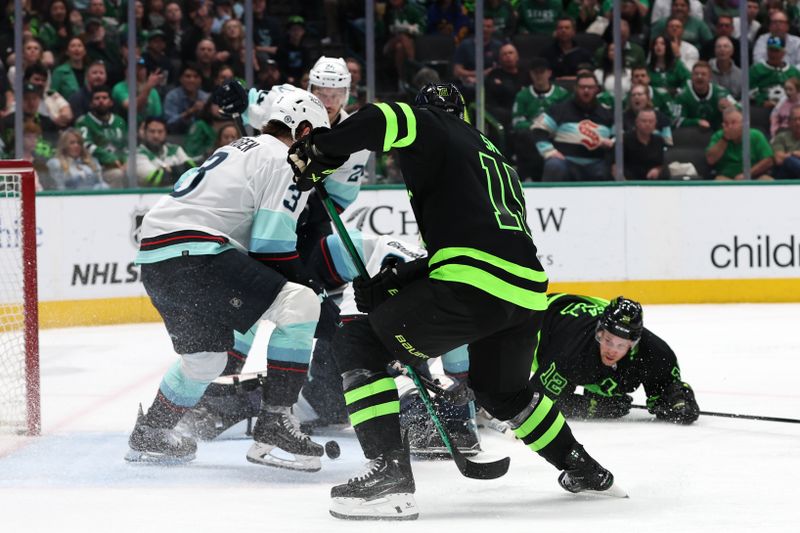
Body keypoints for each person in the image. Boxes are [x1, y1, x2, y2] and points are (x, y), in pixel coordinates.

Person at [287, 82, 622, 520]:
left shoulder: (431, 126)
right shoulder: (488, 154)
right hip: (525, 292)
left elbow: (380, 117)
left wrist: (322, 149)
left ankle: (388, 478)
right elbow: (473, 244)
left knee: (361, 343)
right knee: (503, 392)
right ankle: (583, 468)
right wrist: (394, 282)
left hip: (473, 284)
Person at [126, 84, 338, 470]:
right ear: (304, 131)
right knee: (301, 303)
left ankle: (151, 432)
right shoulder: (284, 159)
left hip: (156, 259)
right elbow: (272, 247)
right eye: (317, 139)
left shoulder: (241, 148)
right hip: (197, 253)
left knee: (205, 362)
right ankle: (275, 421)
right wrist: (318, 302)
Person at [531, 294, 700, 424]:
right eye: (608, 340)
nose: (612, 351)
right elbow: (532, 404)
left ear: (633, 343)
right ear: (600, 332)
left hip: (579, 311)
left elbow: (670, 388)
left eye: (621, 345)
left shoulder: (655, 353)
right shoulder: (570, 355)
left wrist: (678, 400)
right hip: (536, 322)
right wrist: (589, 407)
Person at [533, 72, 615, 181]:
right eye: (582, 87)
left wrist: (612, 142)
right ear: (575, 88)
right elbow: (538, 130)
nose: (586, 90)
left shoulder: (607, 113)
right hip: (566, 162)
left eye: (590, 87)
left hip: (597, 164)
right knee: (554, 165)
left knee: (611, 169)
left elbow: (620, 136)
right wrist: (549, 151)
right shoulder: (559, 109)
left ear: (596, 89)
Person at [511, 57, 570, 181]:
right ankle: (528, 177)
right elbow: (517, 122)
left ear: (549, 73)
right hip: (530, 137)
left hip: (555, 133)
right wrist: (536, 126)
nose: (539, 76)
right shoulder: (523, 95)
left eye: (541, 72)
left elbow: (567, 117)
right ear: (530, 74)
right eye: (535, 72)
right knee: (524, 136)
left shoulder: (562, 94)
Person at [74, 85, 128, 188]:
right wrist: (110, 159)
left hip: (121, 164)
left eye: (104, 98)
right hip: (96, 168)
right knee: (117, 174)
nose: (101, 101)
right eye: (97, 98)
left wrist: (125, 161)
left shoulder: (120, 121)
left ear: (111, 102)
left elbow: (126, 145)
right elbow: (86, 145)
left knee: (134, 172)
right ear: (91, 103)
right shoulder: (83, 122)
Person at [706, 107, 774, 181]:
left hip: (754, 177)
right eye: (726, 123)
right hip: (727, 178)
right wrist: (725, 138)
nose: (730, 127)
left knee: (768, 180)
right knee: (719, 181)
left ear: (743, 123)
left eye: (733, 122)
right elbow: (710, 160)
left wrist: (748, 174)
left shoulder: (756, 135)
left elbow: (768, 160)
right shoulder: (718, 136)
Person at [674, 61, 737, 130]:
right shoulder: (682, 96)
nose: (699, 77)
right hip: (692, 134)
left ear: (710, 77)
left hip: (719, 133)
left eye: (703, 74)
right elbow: (676, 120)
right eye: (696, 74)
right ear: (691, 76)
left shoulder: (721, 93)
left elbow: (741, 109)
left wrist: (730, 108)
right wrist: (696, 122)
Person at [136, 116, 195, 187]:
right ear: (145, 133)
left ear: (166, 133)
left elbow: (192, 170)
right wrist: (179, 169)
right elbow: (157, 180)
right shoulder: (137, 155)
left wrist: (168, 170)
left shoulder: (175, 149)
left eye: (160, 131)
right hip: (150, 196)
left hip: (178, 196)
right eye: (152, 131)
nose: (156, 136)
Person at [749, 36, 800, 109]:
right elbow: (750, 90)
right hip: (762, 108)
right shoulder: (756, 69)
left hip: (789, 107)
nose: (773, 54)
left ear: (783, 52)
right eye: (770, 50)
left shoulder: (793, 72)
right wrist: (762, 102)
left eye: (776, 51)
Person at [541, 16, 595, 80]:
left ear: (574, 32)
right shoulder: (546, 53)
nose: (563, 30)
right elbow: (542, 74)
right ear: (556, 31)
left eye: (567, 28)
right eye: (560, 28)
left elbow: (589, 76)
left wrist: (568, 79)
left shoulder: (584, 54)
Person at [621, 108, 666, 180]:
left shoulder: (659, 140)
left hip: (652, 182)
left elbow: (661, 164)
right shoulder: (625, 139)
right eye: (644, 121)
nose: (647, 124)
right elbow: (615, 165)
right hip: (630, 182)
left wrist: (657, 170)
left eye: (651, 121)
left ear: (655, 123)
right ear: (637, 122)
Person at [164, 63, 209, 134]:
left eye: (196, 76)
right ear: (180, 79)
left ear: (201, 80)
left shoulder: (206, 98)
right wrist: (190, 112)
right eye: (188, 76)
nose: (192, 80)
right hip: (177, 136)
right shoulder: (172, 96)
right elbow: (169, 123)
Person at [770, 104, 800, 179]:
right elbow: (779, 160)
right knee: (789, 161)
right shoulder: (781, 137)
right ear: (789, 122)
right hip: (786, 177)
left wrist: (790, 154)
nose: (798, 123)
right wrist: (794, 154)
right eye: (795, 119)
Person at [709, 36, 742, 100]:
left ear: (732, 51)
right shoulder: (707, 71)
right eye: (719, 47)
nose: (722, 49)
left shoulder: (740, 75)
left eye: (725, 46)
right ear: (715, 51)